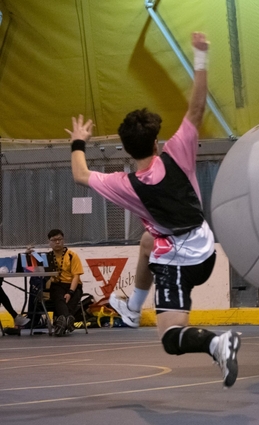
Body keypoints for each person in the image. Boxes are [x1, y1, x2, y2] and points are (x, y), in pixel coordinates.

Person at [67, 32, 240, 388]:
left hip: (179, 262)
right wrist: (201, 57)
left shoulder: (126, 185)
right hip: (205, 246)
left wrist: (78, 141)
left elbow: (81, 174)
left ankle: (216, 344)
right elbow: (197, 108)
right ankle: (133, 309)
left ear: (126, 150)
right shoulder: (178, 152)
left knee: (170, 339)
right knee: (149, 240)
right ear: (156, 142)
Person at [33, 229, 84, 336]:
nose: (57, 242)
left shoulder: (72, 255)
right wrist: (30, 252)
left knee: (72, 298)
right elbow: (35, 260)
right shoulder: (47, 257)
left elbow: (76, 276)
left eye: (59, 239)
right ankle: (68, 320)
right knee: (59, 298)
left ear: (63, 240)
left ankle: (62, 322)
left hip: (73, 285)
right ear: (49, 242)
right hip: (57, 285)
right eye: (54, 240)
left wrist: (70, 292)